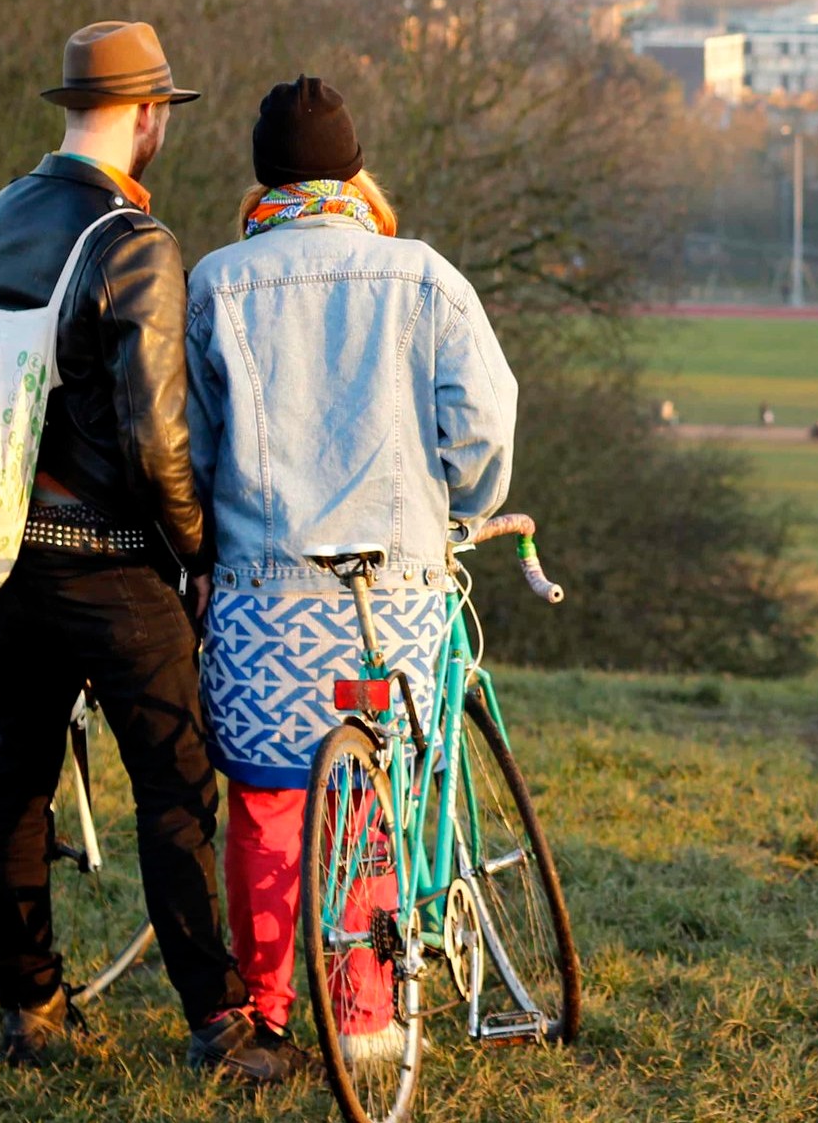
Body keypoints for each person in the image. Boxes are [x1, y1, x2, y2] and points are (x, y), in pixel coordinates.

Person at [0, 22, 293, 1079]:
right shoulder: (136, 243)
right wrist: (195, 546)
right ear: (149, 117)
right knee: (174, 785)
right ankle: (218, 1021)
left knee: (21, 772)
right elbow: (157, 436)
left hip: (14, 544)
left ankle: (30, 1004)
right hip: (113, 562)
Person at [188, 77, 519, 1066]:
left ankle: (271, 1007)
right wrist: (454, 506)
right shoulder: (425, 277)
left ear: (264, 177)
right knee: (373, 788)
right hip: (397, 594)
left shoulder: (215, 283)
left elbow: (192, 450)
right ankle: (369, 1011)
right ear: (353, 168)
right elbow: (487, 419)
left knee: (264, 800)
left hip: (260, 596)